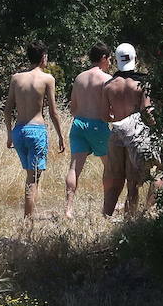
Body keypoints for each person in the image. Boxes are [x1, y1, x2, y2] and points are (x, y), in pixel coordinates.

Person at [4, 42, 66, 221]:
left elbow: (8, 109)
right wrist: (61, 136)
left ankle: (30, 215)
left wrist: (9, 134)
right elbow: (53, 112)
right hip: (36, 130)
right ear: (43, 57)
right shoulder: (47, 79)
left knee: (30, 175)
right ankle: (28, 221)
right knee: (33, 179)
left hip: (19, 131)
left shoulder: (16, 78)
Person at [101, 43, 158, 218]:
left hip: (116, 135)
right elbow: (146, 110)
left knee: (115, 180)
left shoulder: (109, 86)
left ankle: (106, 215)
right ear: (134, 58)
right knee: (133, 183)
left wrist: (119, 119)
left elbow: (105, 116)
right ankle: (130, 219)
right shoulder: (141, 84)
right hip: (135, 137)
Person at [63, 43, 114, 219]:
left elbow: (72, 107)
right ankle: (107, 206)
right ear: (103, 58)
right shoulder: (106, 79)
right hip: (97, 125)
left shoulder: (79, 78)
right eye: (109, 58)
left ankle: (68, 208)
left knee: (74, 168)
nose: (110, 62)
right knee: (109, 167)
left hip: (78, 124)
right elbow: (110, 109)